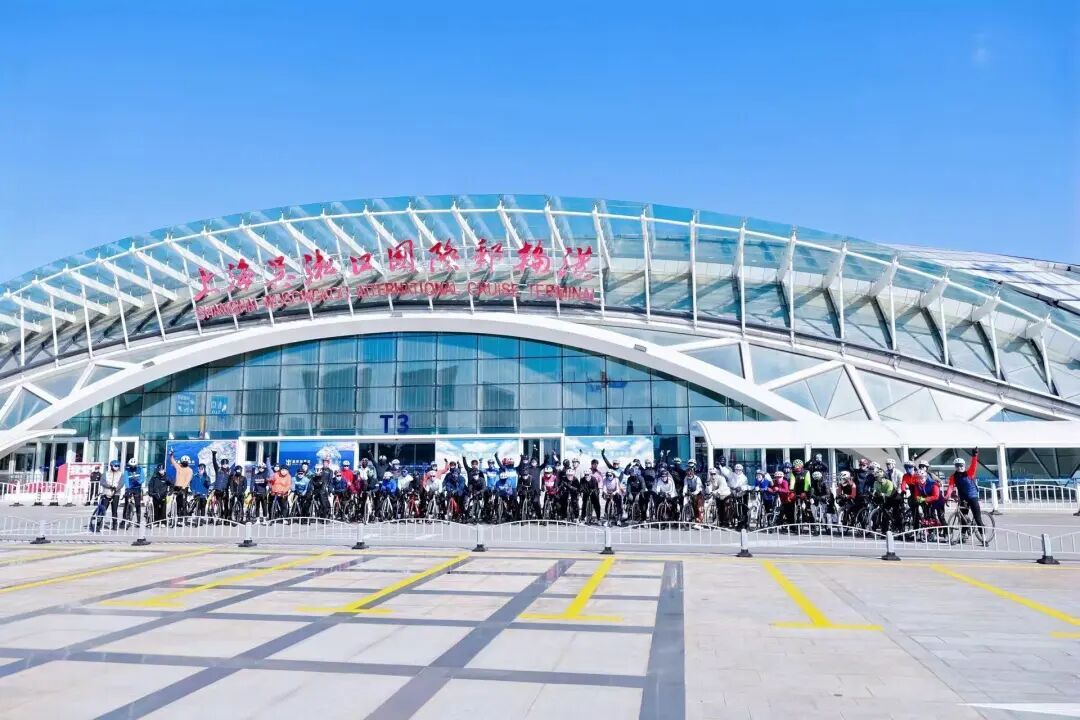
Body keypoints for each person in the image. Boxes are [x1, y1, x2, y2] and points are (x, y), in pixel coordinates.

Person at [947, 450, 984, 530]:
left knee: (978, 519)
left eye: (961, 465)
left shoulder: (969, 473)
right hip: (963, 499)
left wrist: (974, 456)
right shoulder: (953, 476)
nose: (959, 467)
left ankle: (983, 536)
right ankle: (963, 534)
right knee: (963, 518)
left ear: (964, 466)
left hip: (972, 497)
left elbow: (974, 465)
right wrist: (947, 496)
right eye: (957, 466)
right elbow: (950, 487)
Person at [90, 460, 124, 532]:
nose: (117, 467)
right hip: (106, 493)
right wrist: (109, 486)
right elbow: (102, 482)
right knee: (103, 509)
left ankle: (114, 525)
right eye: (115, 466)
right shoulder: (106, 473)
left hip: (116, 494)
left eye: (118, 466)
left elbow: (121, 483)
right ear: (111, 466)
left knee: (114, 510)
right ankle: (98, 525)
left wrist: (116, 488)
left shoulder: (121, 474)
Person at [168, 451, 193, 521]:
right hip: (176, 487)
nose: (184, 463)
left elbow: (187, 480)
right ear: (181, 462)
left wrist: (183, 488)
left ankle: (183, 518)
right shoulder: (178, 467)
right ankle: (175, 515)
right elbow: (173, 462)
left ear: (188, 462)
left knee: (183, 503)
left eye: (186, 462)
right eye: (183, 462)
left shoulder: (190, 470)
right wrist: (171, 455)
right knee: (177, 502)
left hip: (184, 488)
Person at [122, 459, 144, 527]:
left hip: (137, 488)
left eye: (134, 466)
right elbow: (126, 479)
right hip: (130, 487)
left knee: (138, 504)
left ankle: (138, 521)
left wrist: (139, 482)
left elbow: (142, 478)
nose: (133, 467)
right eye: (131, 466)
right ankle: (123, 521)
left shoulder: (140, 469)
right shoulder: (127, 470)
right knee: (126, 503)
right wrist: (127, 488)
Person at [210, 450, 231, 519]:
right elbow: (214, 463)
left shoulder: (230, 472)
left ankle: (226, 518)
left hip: (225, 490)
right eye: (223, 464)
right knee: (220, 504)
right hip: (218, 490)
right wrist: (214, 455)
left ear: (228, 464)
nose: (225, 465)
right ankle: (220, 516)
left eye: (226, 464)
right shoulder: (218, 469)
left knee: (226, 504)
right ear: (221, 464)